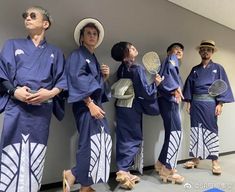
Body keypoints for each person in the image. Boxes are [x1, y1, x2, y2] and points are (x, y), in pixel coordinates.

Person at [0, 6, 67, 192]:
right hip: (17, 108)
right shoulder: (12, 45)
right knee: (11, 150)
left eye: (32, 15)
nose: (27, 18)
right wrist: (14, 92)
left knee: (36, 152)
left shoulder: (55, 52)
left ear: (45, 24)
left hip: (41, 111)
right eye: (25, 16)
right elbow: (2, 74)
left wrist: (51, 93)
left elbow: (62, 80)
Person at [64, 18, 112, 192]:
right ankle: (73, 174)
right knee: (89, 142)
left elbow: (95, 84)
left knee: (99, 141)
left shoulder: (92, 58)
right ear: (82, 38)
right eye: (88, 33)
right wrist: (89, 103)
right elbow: (76, 79)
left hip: (95, 105)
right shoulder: (78, 55)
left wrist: (104, 78)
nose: (92, 36)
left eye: (94, 34)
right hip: (87, 106)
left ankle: (85, 185)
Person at [111, 42, 162, 189]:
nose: (135, 48)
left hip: (121, 106)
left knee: (123, 137)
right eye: (131, 48)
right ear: (126, 54)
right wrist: (155, 84)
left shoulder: (121, 69)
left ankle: (124, 169)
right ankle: (123, 170)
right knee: (134, 137)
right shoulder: (136, 68)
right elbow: (145, 92)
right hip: (132, 107)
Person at [183, 40, 234, 175]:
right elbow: (189, 86)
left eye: (208, 50)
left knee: (211, 129)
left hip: (210, 103)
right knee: (195, 129)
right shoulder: (195, 69)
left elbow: (222, 85)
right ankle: (195, 158)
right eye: (203, 49)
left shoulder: (218, 68)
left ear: (212, 53)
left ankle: (214, 161)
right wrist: (188, 103)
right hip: (196, 103)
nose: (205, 51)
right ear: (200, 52)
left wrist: (220, 103)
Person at [154, 43, 185, 184]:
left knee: (170, 134)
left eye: (180, 51)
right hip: (169, 102)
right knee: (176, 135)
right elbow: (170, 77)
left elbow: (166, 78)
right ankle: (168, 170)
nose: (178, 52)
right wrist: (174, 88)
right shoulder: (171, 60)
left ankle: (160, 163)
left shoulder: (168, 64)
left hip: (166, 102)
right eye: (175, 50)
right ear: (169, 53)